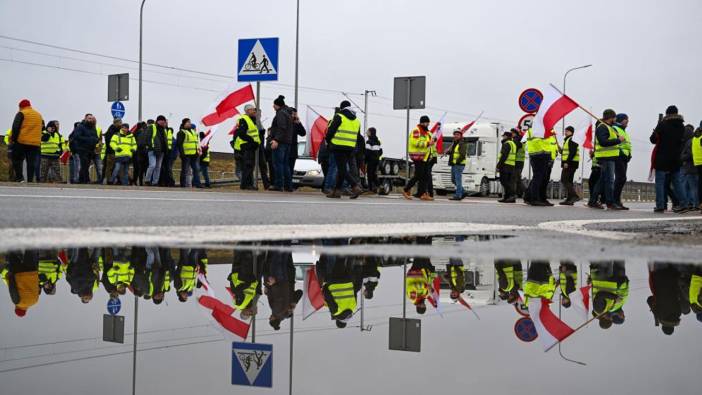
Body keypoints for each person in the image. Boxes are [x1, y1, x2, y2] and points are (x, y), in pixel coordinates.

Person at [650, 106, 686, 213]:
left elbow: (653, 139)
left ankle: (660, 205)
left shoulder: (662, 124)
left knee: (660, 182)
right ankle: (683, 204)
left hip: (662, 157)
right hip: (676, 158)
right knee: (677, 182)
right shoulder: (682, 126)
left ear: (667, 114)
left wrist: (657, 127)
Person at [588, 110, 625, 210]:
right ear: (611, 117)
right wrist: (618, 140)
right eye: (615, 117)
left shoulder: (609, 127)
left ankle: (593, 201)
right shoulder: (602, 127)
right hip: (606, 158)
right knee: (609, 181)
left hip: (609, 157)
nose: (616, 119)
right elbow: (603, 142)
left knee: (603, 180)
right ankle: (610, 203)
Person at [325, 101, 363, 199]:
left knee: (342, 169)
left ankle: (355, 186)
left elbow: (330, 131)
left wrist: (328, 142)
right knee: (342, 169)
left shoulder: (339, 116)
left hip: (338, 146)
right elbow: (358, 137)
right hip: (350, 148)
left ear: (341, 108)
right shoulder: (357, 121)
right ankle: (337, 191)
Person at [318, 252, 358, 328]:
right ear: (338, 320)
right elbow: (328, 296)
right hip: (334, 281)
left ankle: (344, 245)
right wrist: (325, 287)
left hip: (348, 280)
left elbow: (354, 291)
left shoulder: (353, 307)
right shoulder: (336, 312)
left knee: (341, 261)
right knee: (333, 262)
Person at [9, 99, 44, 182]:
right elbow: (42, 127)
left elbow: (16, 127)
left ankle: (20, 178)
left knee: (16, 159)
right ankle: (30, 180)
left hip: (22, 141)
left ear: (21, 106)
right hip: (35, 143)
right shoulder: (39, 115)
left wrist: (13, 139)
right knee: (31, 162)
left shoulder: (21, 113)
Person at [402, 115, 434, 201]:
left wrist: (433, 141)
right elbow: (414, 142)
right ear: (422, 122)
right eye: (426, 122)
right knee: (418, 175)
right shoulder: (417, 130)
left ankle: (422, 193)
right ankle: (406, 190)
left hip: (425, 157)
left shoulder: (427, 132)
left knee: (426, 176)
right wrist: (427, 143)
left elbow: (430, 141)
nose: (428, 124)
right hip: (418, 156)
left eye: (428, 123)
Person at [232, 105, 261, 190]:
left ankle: (249, 184)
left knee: (250, 166)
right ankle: (245, 185)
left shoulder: (252, 120)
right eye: (252, 110)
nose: (254, 111)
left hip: (251, 146)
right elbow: (242, 134)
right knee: (247, 166)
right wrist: (252, 141)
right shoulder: (244, 119)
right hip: (246, 146)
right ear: (247, 111)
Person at [3, 250, 39, 317]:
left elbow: (37, 288)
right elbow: (12, 288)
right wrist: (9, 277)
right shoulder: (18, 302)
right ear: (17, 308)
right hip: (19, 274)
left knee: (30, 251)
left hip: (32, 273)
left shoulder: (35, 301)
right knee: (12, 256)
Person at [269, 95, 294, 191]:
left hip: (281, 143)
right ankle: (288, 186)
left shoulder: (280, 113)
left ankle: (279, 185)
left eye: (273, 105)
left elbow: (281, 127)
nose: (273, 106)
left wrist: (276, 140)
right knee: (285, 164)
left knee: (278, 164)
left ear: (277, 105)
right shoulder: (287, 113)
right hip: (287, 142)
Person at [524, 127, 551, 206]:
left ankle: (532, 197)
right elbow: (542, 142)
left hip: (534, 154)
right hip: (541, 154)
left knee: (537, 178)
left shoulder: (530, 130)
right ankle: (534, 199)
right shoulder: (540, 129)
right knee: (539, 178)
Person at [71, 114, 100, 184]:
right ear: (85, 118)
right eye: (89, 118)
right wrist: (89, 139)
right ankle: (85, 179)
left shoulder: (93, 127)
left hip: (90, 150)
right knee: (84, 165)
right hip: (82, 149)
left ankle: (82, 180)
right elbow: (76, 136)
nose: (90, 120)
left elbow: (96, 137)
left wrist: (95, 140)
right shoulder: (80, 127)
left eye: (91, 118)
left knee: (86, 165)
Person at [613, 114, 632, 209]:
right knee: (620, 178)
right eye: (626, 120)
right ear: (621, 120)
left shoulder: (624, 131)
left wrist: (630, 155)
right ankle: (614, 201)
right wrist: (620, 153)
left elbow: (628, 145)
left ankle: (617, 201)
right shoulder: (615, 129)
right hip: (619, 156)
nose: (628, 121)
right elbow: (616, 142)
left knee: (622, 179)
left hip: (625, 157)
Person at [176, 118, 202, 188]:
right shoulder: (181, 132)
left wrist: (198, 151)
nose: (189, 123)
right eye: (187, 122)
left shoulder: (194, 132)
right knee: (185, 170)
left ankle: (198, 184)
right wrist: (182, 154)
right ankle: (183, 184)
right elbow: (179, 144)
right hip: (186, 155)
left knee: (196, 170)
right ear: (184, 124)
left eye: (190, 122)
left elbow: (196, 142)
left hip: (194, 154)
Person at [680, 124, 700, 212]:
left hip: (689, 167)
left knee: (689, 187)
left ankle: (692, 204)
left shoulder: (688, 142)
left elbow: (687, 154)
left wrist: (682, 157)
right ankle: (694, 204)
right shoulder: (694, 140)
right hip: (695, 166)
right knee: (693, 187)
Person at [559, 126, 581, 205]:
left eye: (567, 131)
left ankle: (574, 196)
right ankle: (569, 199)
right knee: (569, 181)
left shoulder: (572, 139)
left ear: (571, 132)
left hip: (570, 163)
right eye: (565, 131)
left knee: (564, 179)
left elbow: (572, 152)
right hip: (572, 163)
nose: (565, 133)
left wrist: (567, 162)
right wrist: (560, 150)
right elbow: (567, 152)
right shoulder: (568, 140)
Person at [146, 115, 168, 186]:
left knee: (158, 167)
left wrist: (166, 149)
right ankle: (147, 180)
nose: (163, 122)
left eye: (164, 121)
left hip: (161, 151)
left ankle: (155, 182)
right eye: (161, 120)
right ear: (158, 121)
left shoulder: (164, 129)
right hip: (153, 150)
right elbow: (148, 137)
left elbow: (165, 140)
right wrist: (151, 146)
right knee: (152, 165)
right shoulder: (152, 127)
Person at [446, 129, 467, 201]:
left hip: (459, 164)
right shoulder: (455, 143)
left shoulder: (462, 143)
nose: (456, 135)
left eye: (458, 134)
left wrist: (457, 162)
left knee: (458, 180)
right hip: (454, 164)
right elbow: (454, 153)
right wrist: (448, 152)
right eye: (455, 134)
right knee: (453, 179)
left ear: (461, 136)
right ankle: (463, 192)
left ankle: (458, 195)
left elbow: (462, 155)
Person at [496, 130, 517, 203]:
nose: (503, 137)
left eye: (504, 136)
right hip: (511, 165)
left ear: (507, 136)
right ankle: (507, 197)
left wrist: (498, 165)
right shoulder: (513, 143)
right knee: (508, 182)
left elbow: (504, 156)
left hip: (505, 165)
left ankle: (511, 196)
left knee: (504, 181)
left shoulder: (506, 144)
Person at [289, 107, 307, 183]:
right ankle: (285, 184)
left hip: (293, 150)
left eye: (295, 114)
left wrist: (299, 123)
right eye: (293, 114)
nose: (294, 116)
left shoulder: (296, 124)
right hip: (286, 149)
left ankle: (289, 184)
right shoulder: (286, 123)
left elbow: (303, 133)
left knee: (291, 168)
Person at [102, 118, 122, 185]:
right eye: (120, 123)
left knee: (115, 167)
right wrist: (114, 149)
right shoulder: (111, 131)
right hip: (111, 152)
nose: (121, 124)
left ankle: (116, 180)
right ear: (116, 123)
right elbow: (109, 143)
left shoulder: (115, 130)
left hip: (116, 152)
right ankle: (109, 180)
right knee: (110, 167)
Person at [364, 127, 383, 193]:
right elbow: (381, 152)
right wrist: (377, 156)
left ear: (371, 133)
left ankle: (370, 189)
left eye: (368, 132)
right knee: (374, 174)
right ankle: (379, 186)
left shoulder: (368, 142)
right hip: (376, 161)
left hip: (370, 161)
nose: (366, 133)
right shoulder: (378, 142)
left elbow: (367, 152)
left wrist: (365, 161)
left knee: (369, 174)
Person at [513, 129, 526, 198]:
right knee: (517, 179)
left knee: (515, 179)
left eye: (513, 133)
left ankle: (525, 191)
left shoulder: (517, 142)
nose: (512, 134)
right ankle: (520, 193)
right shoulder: (522, 141)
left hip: (517, 162)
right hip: (520, 162)